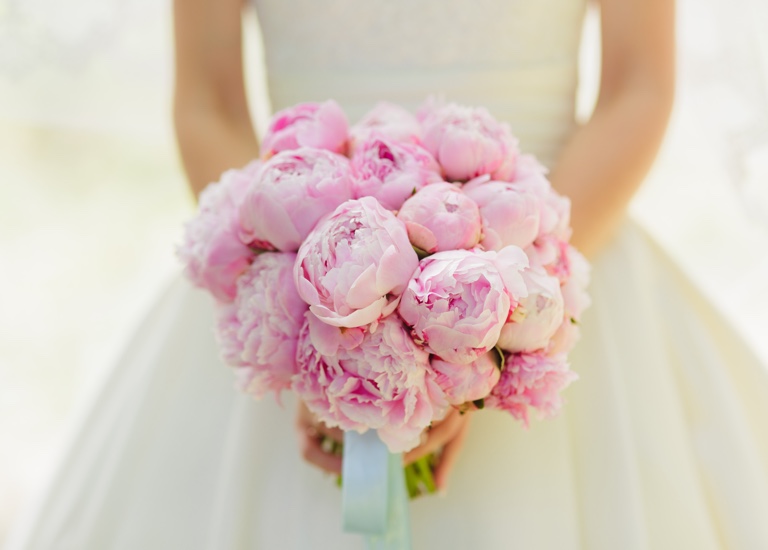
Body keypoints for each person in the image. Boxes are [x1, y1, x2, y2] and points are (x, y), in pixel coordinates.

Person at [6, 0, 768, 548]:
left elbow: (639, 86)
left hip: (555, 242)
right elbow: (208, 96)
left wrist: (498, 318)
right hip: (295, 263)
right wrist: (299, 316)